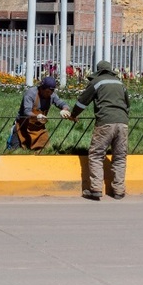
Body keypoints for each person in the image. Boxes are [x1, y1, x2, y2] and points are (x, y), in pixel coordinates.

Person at [69, 61, 130, 201]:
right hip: (123, 122)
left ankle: (96, 189)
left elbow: (82, 102)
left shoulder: (97, 82)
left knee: (96, 154)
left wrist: (73, 115)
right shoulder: (119, 83)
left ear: (99, 71)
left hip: (105, 122)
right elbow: (127, 104)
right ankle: (119, 191)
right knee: (120, 157)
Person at [8, 76, 71, 150]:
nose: (49, 94)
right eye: (47, 92)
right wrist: (37, 116)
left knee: (43, 152)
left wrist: (64, 109)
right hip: (22, 126)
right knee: (14, 150)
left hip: (38, 128)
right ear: (41, 88)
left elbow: (62, 103)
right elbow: (26, 111)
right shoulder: (30, 93)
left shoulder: (52, 95)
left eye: (51, 92)